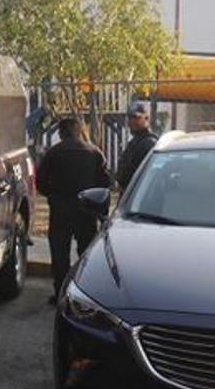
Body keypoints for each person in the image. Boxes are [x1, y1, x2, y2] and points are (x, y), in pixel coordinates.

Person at [36, 117, 112, 303]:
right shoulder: (94, 152)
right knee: (87, 254)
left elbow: (41, 182)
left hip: (60, 209)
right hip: (87, 209)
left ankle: (61, 293)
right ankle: (86, 295)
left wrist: (52, 196)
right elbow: (105, 183)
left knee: (59, 254)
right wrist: (99, 208)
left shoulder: (53, 153)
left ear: (61, 133)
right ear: (79, 131)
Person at [117, 101, 159, 190]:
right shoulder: (135, 143)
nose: (132, 121)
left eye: (137, 118)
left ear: (146, 119)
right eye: (130, 117)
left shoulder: (149, 144)